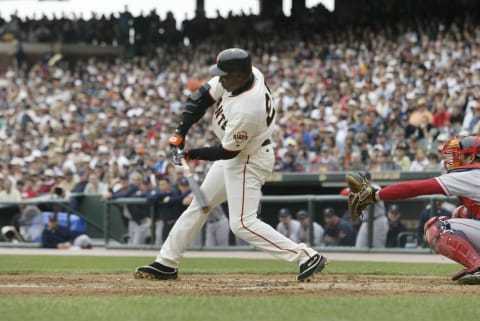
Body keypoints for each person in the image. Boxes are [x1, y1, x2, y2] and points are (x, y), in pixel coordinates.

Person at [135, 48, 327, 282]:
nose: (220, 79)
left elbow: (226, 152)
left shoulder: (248, 108)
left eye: (226, 75)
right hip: (240, 155)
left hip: (249, 158)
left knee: (243, 224)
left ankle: (306, 256)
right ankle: (166, 263)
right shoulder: (244, 76)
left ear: (240, 75)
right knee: (199, 206)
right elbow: (201, 96)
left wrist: (191, 153)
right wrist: (181, 131)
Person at [346, 135, 480, 284]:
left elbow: (415, 188)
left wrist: (375, 195)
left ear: (471, 158)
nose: (455, 159)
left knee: (438, 227)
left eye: (459, 155)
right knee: (461, 213)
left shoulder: (470, 175)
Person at [355, 173, 388, 248]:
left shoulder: (376, 187)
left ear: (370, 180)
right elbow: (345, 192)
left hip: (378, 221)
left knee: (377, 249)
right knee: (359, 247)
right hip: (366, 222)